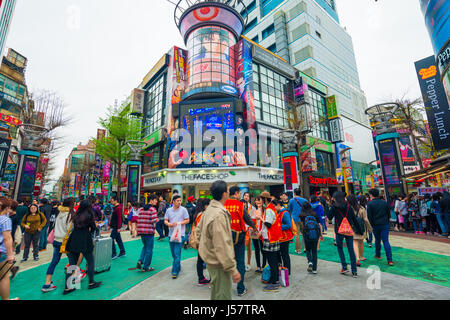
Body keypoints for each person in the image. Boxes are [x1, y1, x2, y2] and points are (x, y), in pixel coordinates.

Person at [196, 180, 241, 300]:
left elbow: (198, 232)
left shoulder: (209, 209)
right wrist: (233, 269)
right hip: (219, 263)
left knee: (216, 294)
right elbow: (222, 245)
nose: (228, 192)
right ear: (224, 194)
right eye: (227, 190)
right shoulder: (219, 215)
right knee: (222, 296)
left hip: (212, 260)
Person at [63, 200, 102, 295]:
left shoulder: (76, 215)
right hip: (85, 239)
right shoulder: (89, 215)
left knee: (72, 263)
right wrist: (94, 226)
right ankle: (91, 282)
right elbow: (93, 228)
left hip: (74, 239)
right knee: (90, 261)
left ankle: (68, 287)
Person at [224, 186, 256, 297]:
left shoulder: (224, 204)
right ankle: (240, 288)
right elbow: (247, 218)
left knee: (225, 261)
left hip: (225, 236)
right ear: (237, 193)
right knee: (240, 261)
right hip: (239, 237)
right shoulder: (240, 205)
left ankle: (223, 287)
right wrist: (255, 228)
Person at [41, 198, 74, 292]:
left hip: (56, 240)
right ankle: (69, 283)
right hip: (65, 241)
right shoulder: (70, 215)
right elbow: (69, 229)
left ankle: (47, 283)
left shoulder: (60, 213)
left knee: (54, 261)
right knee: (72, 261)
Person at [327, 191, 362, 278]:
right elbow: (354, 219)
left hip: (339, 230)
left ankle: (344, 266)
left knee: (340, 247)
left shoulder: (335, 207)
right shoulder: (348, 206)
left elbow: (329, 217)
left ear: (335, 198)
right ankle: (354, 271)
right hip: (349, 230)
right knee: (350, 249)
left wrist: (331, 205)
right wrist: (359, 230)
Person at [260, 193, 282, 292]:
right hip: (273, 237)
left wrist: (260, 218)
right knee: (273, 260)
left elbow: (268, 224)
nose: (259, 201)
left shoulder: (269, 209)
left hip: (270, 238)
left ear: (265, 199)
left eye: (260, 199)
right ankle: (274, 280)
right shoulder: (271, 208)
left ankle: (274, 282)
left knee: (272, 261)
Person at [367, 189, 394, 266]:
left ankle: (378, 254)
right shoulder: (384, 202)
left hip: (375, 225)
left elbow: (369, 217)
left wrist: (370, 226)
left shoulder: (370, 204)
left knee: (377, 240)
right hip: (385, 224)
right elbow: (388, 214)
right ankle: (390, 260)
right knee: (386, 241)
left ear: (371, 195)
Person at [164, 195, 190, 279]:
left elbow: (187, 220)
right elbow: (165, 220)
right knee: (173, 254)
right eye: (177, 201)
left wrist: (179, 223)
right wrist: (169, 224)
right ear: (173, 202)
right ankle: (177, 265)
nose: (179, 202)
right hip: (171, 234)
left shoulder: (183, 210)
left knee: (177, 253)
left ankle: (174, 271)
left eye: (180, 200)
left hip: (180, 234)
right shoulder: (168, 210)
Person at [0, 197, 18, 300]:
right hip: (1, 251)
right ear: (6, 208)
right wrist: (10, 254)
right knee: (3, 277)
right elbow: (7, 238)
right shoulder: (5, 219)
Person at [347, 194, 372, 266]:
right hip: (361, 227)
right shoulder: (361, 208)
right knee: (361, 242)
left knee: (354, 242)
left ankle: (357, 258)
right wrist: (370, 228)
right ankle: (361, 256)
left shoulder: (348, 208)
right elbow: (365, 219)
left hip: (352, 227)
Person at [136, 195, 159, 272]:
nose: (156, 201)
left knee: (145, 247)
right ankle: (146, 267)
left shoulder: (141, 209)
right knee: (149, 249)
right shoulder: (153, 209)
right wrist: (157, 220)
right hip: (149, 232)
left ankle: (140, 260)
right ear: (151, 200)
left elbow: (138, 219)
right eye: (155, 200)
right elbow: (153, 220)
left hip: (141, 231)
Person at [300, 201, 323, 274]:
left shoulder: (302, 215)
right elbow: (319, 224)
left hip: (306, 234)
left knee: (307, 249)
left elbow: (302, 225)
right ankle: (314, 269)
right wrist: (321, 234)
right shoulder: (315, 214)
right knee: (314, 251)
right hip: (315, 234)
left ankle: (310, 261)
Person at [192, 198, 211, 286]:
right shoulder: (206, 215)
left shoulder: (198, 214)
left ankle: (201, 278)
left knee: (200, 260)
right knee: (210, 261)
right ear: (206, 206)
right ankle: (212, 280)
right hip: (206, 242)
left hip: (199, 241)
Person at [274, 200, 293, 275]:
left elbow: (289, 225)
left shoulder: (285, 213)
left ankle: (287, 272)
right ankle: (283, 270)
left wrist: (278, 227)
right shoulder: (280, 212)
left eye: (275, 206)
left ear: (278, 205)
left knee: (285, 255)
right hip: (281, 237)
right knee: (281, 254)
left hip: (285, 237)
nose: (274, 208)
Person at [288, 188, 307, 254]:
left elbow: (289, 210)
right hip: (303, 218)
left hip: (295, 219)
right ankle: (305, 248)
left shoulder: (291, 200)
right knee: (304, 233)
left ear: (294, 193)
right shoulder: (305, 200)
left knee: (297, 234)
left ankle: (298, 250)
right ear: (300, 193)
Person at [251, 196, 265, 274]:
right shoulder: (253, 210)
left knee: (263, 250)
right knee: (256, 249)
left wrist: (261, 231)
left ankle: (263, 266)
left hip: (262, 232)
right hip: (255, 232)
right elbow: (251, 220)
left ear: (262, 201)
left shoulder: (265, 210)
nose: (257, 202)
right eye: (256, 200)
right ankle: (258, 266)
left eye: (259, 200)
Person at [242, 192, 253, 272]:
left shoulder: (251, 207)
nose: (246, 197)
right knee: (240, 247)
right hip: (241, 229)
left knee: (249, 246)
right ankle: (241, 264)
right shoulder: (239, 204)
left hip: (249, 229)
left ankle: (248, 263)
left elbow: (252, 218)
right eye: (245, 196)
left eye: (247, 196)